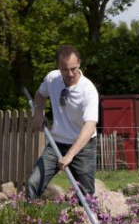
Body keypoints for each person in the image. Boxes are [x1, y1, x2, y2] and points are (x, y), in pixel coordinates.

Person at [26, 44, 99, 200]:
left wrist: (70, 155)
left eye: (73, 68)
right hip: (56, 143)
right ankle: (28, 220)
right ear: (58, 66)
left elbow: (90, 125)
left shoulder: (88, 90)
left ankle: (87, 222)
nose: (70, 73)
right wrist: (38, 112)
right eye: (65, 69)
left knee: (85, 195)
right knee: (33, 183)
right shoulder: (52, 78)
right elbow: (40, 94)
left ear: (79, 62)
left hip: (82, 147)